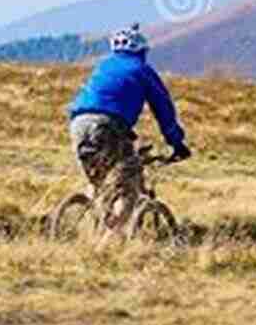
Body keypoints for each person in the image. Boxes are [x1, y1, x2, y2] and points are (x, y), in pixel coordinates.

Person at [68, 24, 191, 226]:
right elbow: (163, 108)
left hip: (78, 124)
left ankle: (90, 225)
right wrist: (176, 143)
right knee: (128, 188)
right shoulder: (141, 70)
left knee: (98, 179)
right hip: (109, 125)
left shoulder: (103, 66)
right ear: (141, 50)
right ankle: (110, 242)